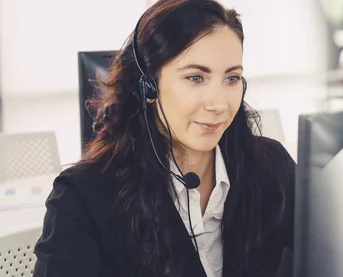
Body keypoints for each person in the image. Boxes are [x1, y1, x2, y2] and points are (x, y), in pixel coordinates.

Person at [32, 1, 295, 276]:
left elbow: (329, 253)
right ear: (148, 86)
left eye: (231, 78)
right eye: (195, 78)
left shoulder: (271, 166)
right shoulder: (83, 196)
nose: (219, 104)